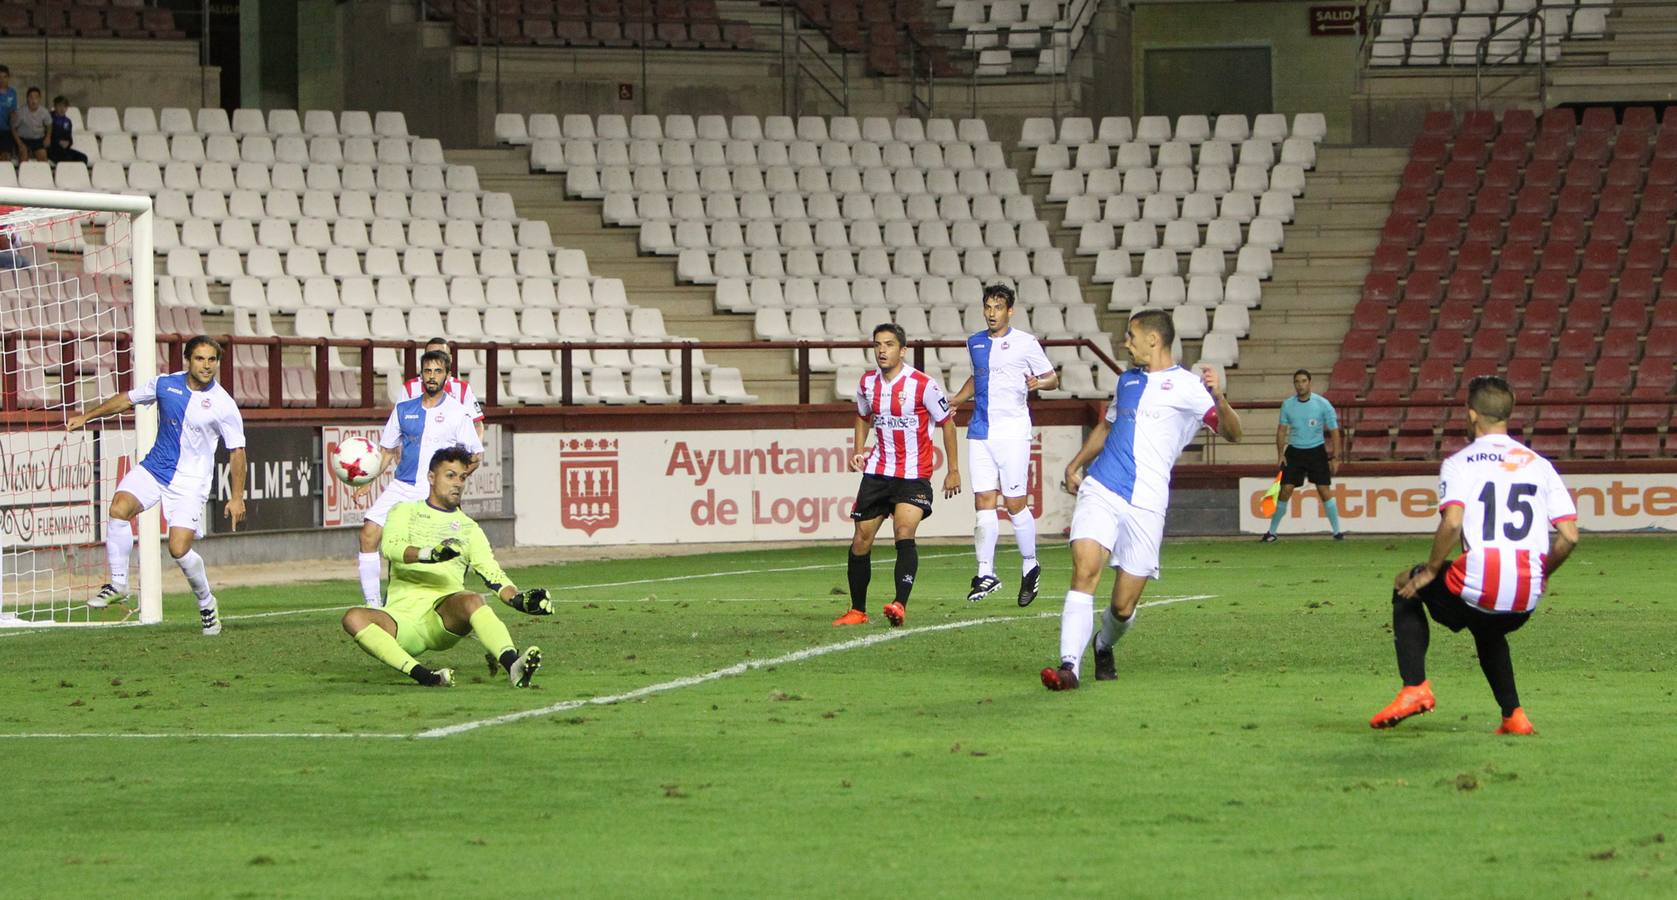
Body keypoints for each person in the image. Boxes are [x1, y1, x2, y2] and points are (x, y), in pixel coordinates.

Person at [1042, 310, 1242, 690]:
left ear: (1154, 339)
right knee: (1084, 569)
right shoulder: (1126, 382)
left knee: (1122, 607)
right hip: (1103, 486)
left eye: (1131, 336)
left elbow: (1233, 434)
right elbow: (1107, 425)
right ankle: (1070, 666)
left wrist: (1220, 397)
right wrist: (1075, 464)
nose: (1125, 343)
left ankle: (1103, 644)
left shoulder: (1189, 387)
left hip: (1147, 503)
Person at [1369, 375, 1578, 735]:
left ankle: (1414, 688)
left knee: (1407, 583)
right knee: (1488, 627)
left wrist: (1431, 569)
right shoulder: (1539, 464)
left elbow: (1452, 523)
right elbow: (1569, 537)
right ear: (1507, 416)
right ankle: (1514, 715)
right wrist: (1540, 575)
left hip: (1481, 585)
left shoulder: (1460, 462)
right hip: (1524, 598)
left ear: (1471, 416)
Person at [67, 336, 248, 635]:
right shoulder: (165, 385)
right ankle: (119, 583)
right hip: (155, 467)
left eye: (212, 360)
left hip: (190, 482)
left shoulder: (223, 405)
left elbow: (237, 451)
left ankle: (206, 603)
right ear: (188, 360)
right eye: (200, 359)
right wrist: (87, 416)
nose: (206, 365)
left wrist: (237, 497)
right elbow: (126, 399)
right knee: (119, 508)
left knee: (178, 548)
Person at [341, 446, 550, 688]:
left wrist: (518, 599)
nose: (458, 483)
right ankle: (427, 677)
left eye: (462, 477)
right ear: (431, 478)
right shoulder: (404, 511)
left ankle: (514, 665)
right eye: (450, 475)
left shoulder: (469, 528)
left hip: (441, 619)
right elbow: (391, 548)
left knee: (472, 599)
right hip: (400, 620)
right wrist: (429, 554)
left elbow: (492, 573)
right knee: (353, 617)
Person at [834, 323, 961, 628]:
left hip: (914, 473)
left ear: (902, 350)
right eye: (878, 344)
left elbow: (947, 423)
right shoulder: (867, 383)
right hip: (878, 472)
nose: (882, 350)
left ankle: (899, 604)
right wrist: (858, 448)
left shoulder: (923, 385)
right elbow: (863, 417)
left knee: (904, 531)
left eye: (889, 344)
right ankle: (857, 610)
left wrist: (953, 469)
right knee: (861, 540)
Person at [949, 284, 1059, 606]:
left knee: (1013, 504)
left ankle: (1030, 564)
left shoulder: (1025, 343)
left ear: (1010, 310)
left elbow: (1052, 378)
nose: (992, 313)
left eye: (998, 307)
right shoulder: (975, 342)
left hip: (1012, 432)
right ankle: (986, 572)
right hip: (980, 430)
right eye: (988, 307)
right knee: (983, 500)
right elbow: (977, 376)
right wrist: (957, 398)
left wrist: (1040, 383)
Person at [355, 350, 483, 608]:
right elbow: (388, 451)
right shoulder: (403, 410)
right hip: (403, 485)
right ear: (421, 375)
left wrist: (454, 481)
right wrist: (367, 479)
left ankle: (447, 603)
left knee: (442, 550)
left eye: (437, 371)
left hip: (432, 491)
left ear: (447, 375)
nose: (432, 376)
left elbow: (476, 454)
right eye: (427, 371)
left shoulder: (457, 412)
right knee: (369, 534)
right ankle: (373, 605)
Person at [1261, 368, 1344, 541]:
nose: (1300, 385)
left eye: (1303, 381)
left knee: (1323, 490)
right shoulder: (1288, 405)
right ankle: (1272, 532)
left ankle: (1337, 532)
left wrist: (1335, 457)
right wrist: (1280, 453)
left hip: (1316, 451)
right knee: (1285, 489)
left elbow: (1335, 431)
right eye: (1297, 382)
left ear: (1310, 382)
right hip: (1295, 451)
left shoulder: (1322, 404)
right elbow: (1281, 431)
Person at [401, 337, 485, 441]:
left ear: (450, 359)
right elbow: (397, 425)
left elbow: (476, 424)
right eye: (431, 356)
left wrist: (475, 451)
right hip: (417, 454)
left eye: (441, 355)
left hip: (452, 455)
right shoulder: (410, 388)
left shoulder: (462, 389)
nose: (435, 360)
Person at [10, 86, 49, 162]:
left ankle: (43, 174)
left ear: (39, 98)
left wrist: (48, 137)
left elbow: (49, 125)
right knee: (23, 156)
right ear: (27, 98)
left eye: (36, 97)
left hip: (38, 140)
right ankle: (23, 173)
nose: (33, 100)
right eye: (31, 97)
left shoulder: (44, 111)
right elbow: (13, 128)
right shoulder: (20, 112)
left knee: (43, 157)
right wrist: (20, 143)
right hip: (23, 139)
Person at [47, 95, 87, 165]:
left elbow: (69, 138)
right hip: (52, 149)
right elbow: (46, 136)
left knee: (83, 158)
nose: (62, 109)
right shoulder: (48, 118)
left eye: (65, 106)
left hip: (64, 149)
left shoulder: (67, 121)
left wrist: (68, 143)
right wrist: (58, 142)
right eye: (59, 106)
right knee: (67, 159)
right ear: (55, 106)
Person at [0, 67, 16, 162]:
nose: (2, 80)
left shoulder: (12, 93)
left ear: (8, 78)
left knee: (6, 157)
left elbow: (13, 112)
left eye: (4, 77)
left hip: (6, 131)